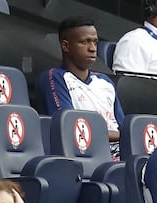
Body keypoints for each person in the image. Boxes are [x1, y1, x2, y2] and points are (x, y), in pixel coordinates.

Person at [38, 16, 125, 160]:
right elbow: (69, 126)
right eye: (84, 42)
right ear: (65, 46)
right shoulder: (55, 77)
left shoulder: (105, 81)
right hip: (85, 155)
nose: (92, 49)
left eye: (95, 42)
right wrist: (122, 136)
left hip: (120, 154)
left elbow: (124, 127)